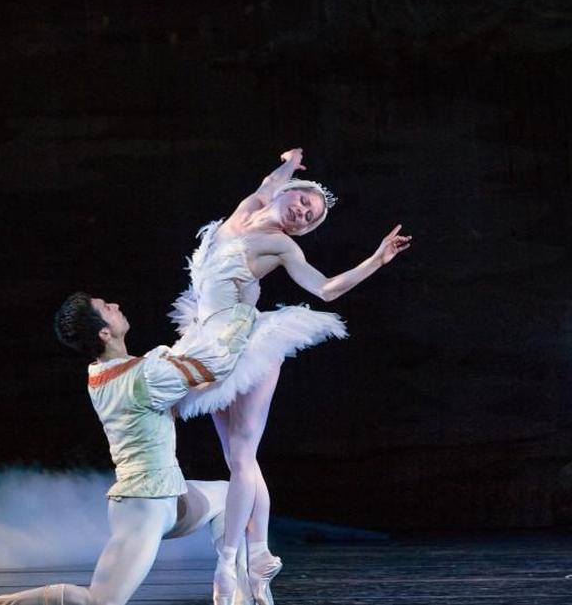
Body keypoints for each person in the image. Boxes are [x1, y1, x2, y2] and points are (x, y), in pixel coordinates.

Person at [168, 148, 411, 605]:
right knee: (239, 457)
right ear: (286, 194)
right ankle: (258, 559)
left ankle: (228, 562)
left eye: (310, 217)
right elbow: (266, 183)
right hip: (206, 341)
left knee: (242, 457)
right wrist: (289, 164)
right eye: (302, 203)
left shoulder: (281, 245)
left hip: (246, 343)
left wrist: (377, 259)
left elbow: (325, 289)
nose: (303, 214)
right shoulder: (246, 211)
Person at [0, 292, 257, 605]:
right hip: (144, 507)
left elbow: (164, 379)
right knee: (101, 601)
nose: (116, 305)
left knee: (233, 498)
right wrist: (245, 309)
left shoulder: (101, 374)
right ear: (104, 332)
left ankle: (242, 595)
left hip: (167, 496)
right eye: (107, 307)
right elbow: (216, 364)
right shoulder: (144, 376)